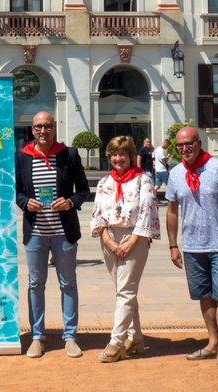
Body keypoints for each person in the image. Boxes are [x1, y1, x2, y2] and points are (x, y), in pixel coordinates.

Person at [15, 111, 90, 359]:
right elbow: (16, 192)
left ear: (54, 127)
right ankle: (37, 336)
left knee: (68, 283)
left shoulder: (68, 154)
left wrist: (69, 202)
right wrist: (26, 203)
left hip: (64, 232)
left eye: (47, 126)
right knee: (35, 284)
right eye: (38, 127)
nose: (42, 131)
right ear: (32, 130)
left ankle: (70, 336)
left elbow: (84, 190)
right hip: (35, 232)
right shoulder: (22, 157)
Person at [165, 126, 218, 371]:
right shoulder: (175, 174)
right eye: (180, 145)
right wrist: (173, 244)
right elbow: (172, 210)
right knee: (204, 296)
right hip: (192, 246)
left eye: (189, 143)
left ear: (199, 142)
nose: (185, 149)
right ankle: (212, 342)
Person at [90, 135, 160, 362]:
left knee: (125, 291)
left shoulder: (143, 180)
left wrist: (131, 242)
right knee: (123, 291)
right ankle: (136, 338)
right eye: (114, 154)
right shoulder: (104, 183)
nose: (118, 158)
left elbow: (147, 213)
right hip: (109, 238)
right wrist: (109, 241)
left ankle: (116, 342)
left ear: (131, 156)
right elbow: (97, 215)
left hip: (135, 238)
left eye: (123, 154)